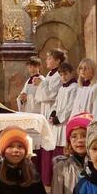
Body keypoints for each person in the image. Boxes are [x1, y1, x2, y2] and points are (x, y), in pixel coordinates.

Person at [33, 49, 66, 184]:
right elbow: (41, 95)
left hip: (53, 108)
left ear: (58, 61)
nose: (46, 61)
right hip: (46, 109)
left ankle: (50, 178)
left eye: (49, 58)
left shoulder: (59, 75)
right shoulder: (49, 74)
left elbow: (49, 95)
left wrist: (40, 85)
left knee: (51, 140)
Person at [50, 62, 78, 162]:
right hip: (58, 124)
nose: (63, 77)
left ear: (71, 73)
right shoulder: (62, 88)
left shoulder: (74, 87)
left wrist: (59, 118)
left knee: (64, 149)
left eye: (65, 74)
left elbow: (70, 107)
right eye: (61, 75)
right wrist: (53, 113)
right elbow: (56, 103)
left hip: (66, 122)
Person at [69, 58, 97, 123]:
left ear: (93, 71)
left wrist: (95, 128)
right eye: (81, 68)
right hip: (79, 125)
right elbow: (75, 109)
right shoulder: (80, 88)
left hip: (90, 125)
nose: (82, 70)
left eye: (86, 68)